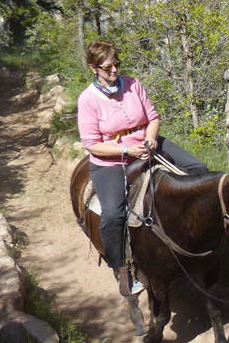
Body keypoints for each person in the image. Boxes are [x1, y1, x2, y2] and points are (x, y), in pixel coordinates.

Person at [77, 40, 208, 295]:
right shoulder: (88, 100)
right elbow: (92, 145)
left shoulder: (133, 84)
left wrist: (150, 138)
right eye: (107, 67)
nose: (114, 70)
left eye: (117, 63)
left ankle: (197, 235)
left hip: (148, 144)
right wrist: (126, 150)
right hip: (112, 160)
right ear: (94, 68)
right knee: (114, 215)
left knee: (199, 169)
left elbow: (153, 117)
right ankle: (120, 269)